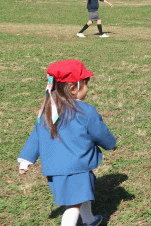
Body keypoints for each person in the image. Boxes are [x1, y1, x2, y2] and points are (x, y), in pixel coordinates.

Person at [17, 59, 116, 226]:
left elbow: (36, 136)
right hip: (76, 166)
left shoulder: (47, 111)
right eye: (85, 85)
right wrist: (110, 143)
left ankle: (89, 220)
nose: (87, 89)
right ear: (72, 88)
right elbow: (99, 132)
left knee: (81, 194)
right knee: (74, 205)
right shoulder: (85, 111)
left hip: (55, 168)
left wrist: (26, 159)